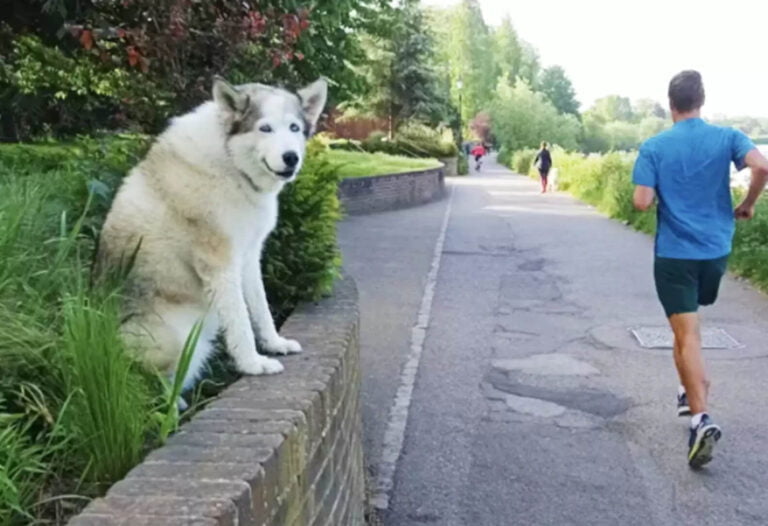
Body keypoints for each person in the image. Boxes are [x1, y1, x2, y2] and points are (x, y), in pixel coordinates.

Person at [632, 70, 768, 469]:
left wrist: (654, 193)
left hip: (675, 255)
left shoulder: (655, 146)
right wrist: (747, 204)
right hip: (715, 251)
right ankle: (687, 391)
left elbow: (641, 202)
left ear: (670, 104)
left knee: (686, 332)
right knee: (686, 328)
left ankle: (700, 417)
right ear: (701, 100)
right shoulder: (727, 137)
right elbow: (762, 166)